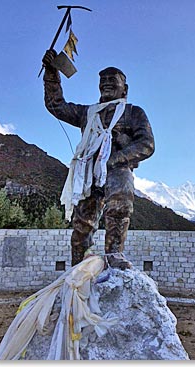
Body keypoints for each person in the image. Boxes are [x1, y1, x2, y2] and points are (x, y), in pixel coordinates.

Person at [42, 50, 155, 269]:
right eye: (102, 81)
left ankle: (114, 254)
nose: (106, 84)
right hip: (87, 172)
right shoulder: (87, 112)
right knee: (82, 222)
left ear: (125, 88)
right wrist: (51, 72)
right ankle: (79, 265)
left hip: (116, 168)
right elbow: (56, 105)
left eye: (112, 80)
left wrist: (115, 160)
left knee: (120, 198)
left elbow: (147, 144)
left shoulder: (133, 113)